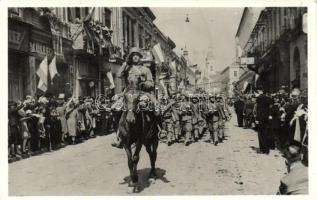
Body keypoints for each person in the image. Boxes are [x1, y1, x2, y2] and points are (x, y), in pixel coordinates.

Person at [111, 47, 158, 148]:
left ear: (140, 57)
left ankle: (158, 130)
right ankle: (119, 135)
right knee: (115, 108)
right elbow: (119, 75)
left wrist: (144, 83)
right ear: (131, 57)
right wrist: (124, 64)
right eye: (133, 55)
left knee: (154, 107)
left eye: (137, 55)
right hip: (128, 93)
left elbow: (151, 83)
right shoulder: (127, 68)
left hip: (142, 92)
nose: (135, 57)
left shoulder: (146, 69)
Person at [254, 86, 271, 154]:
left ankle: (262, 149)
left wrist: (257, 119)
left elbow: (259, 110)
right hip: (266, 118)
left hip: (261, 118)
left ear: (259, 91)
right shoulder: (267, 98)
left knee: (261, 134)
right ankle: (267, 150)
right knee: (266, 134)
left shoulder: (259, 98)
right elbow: (269, 108)